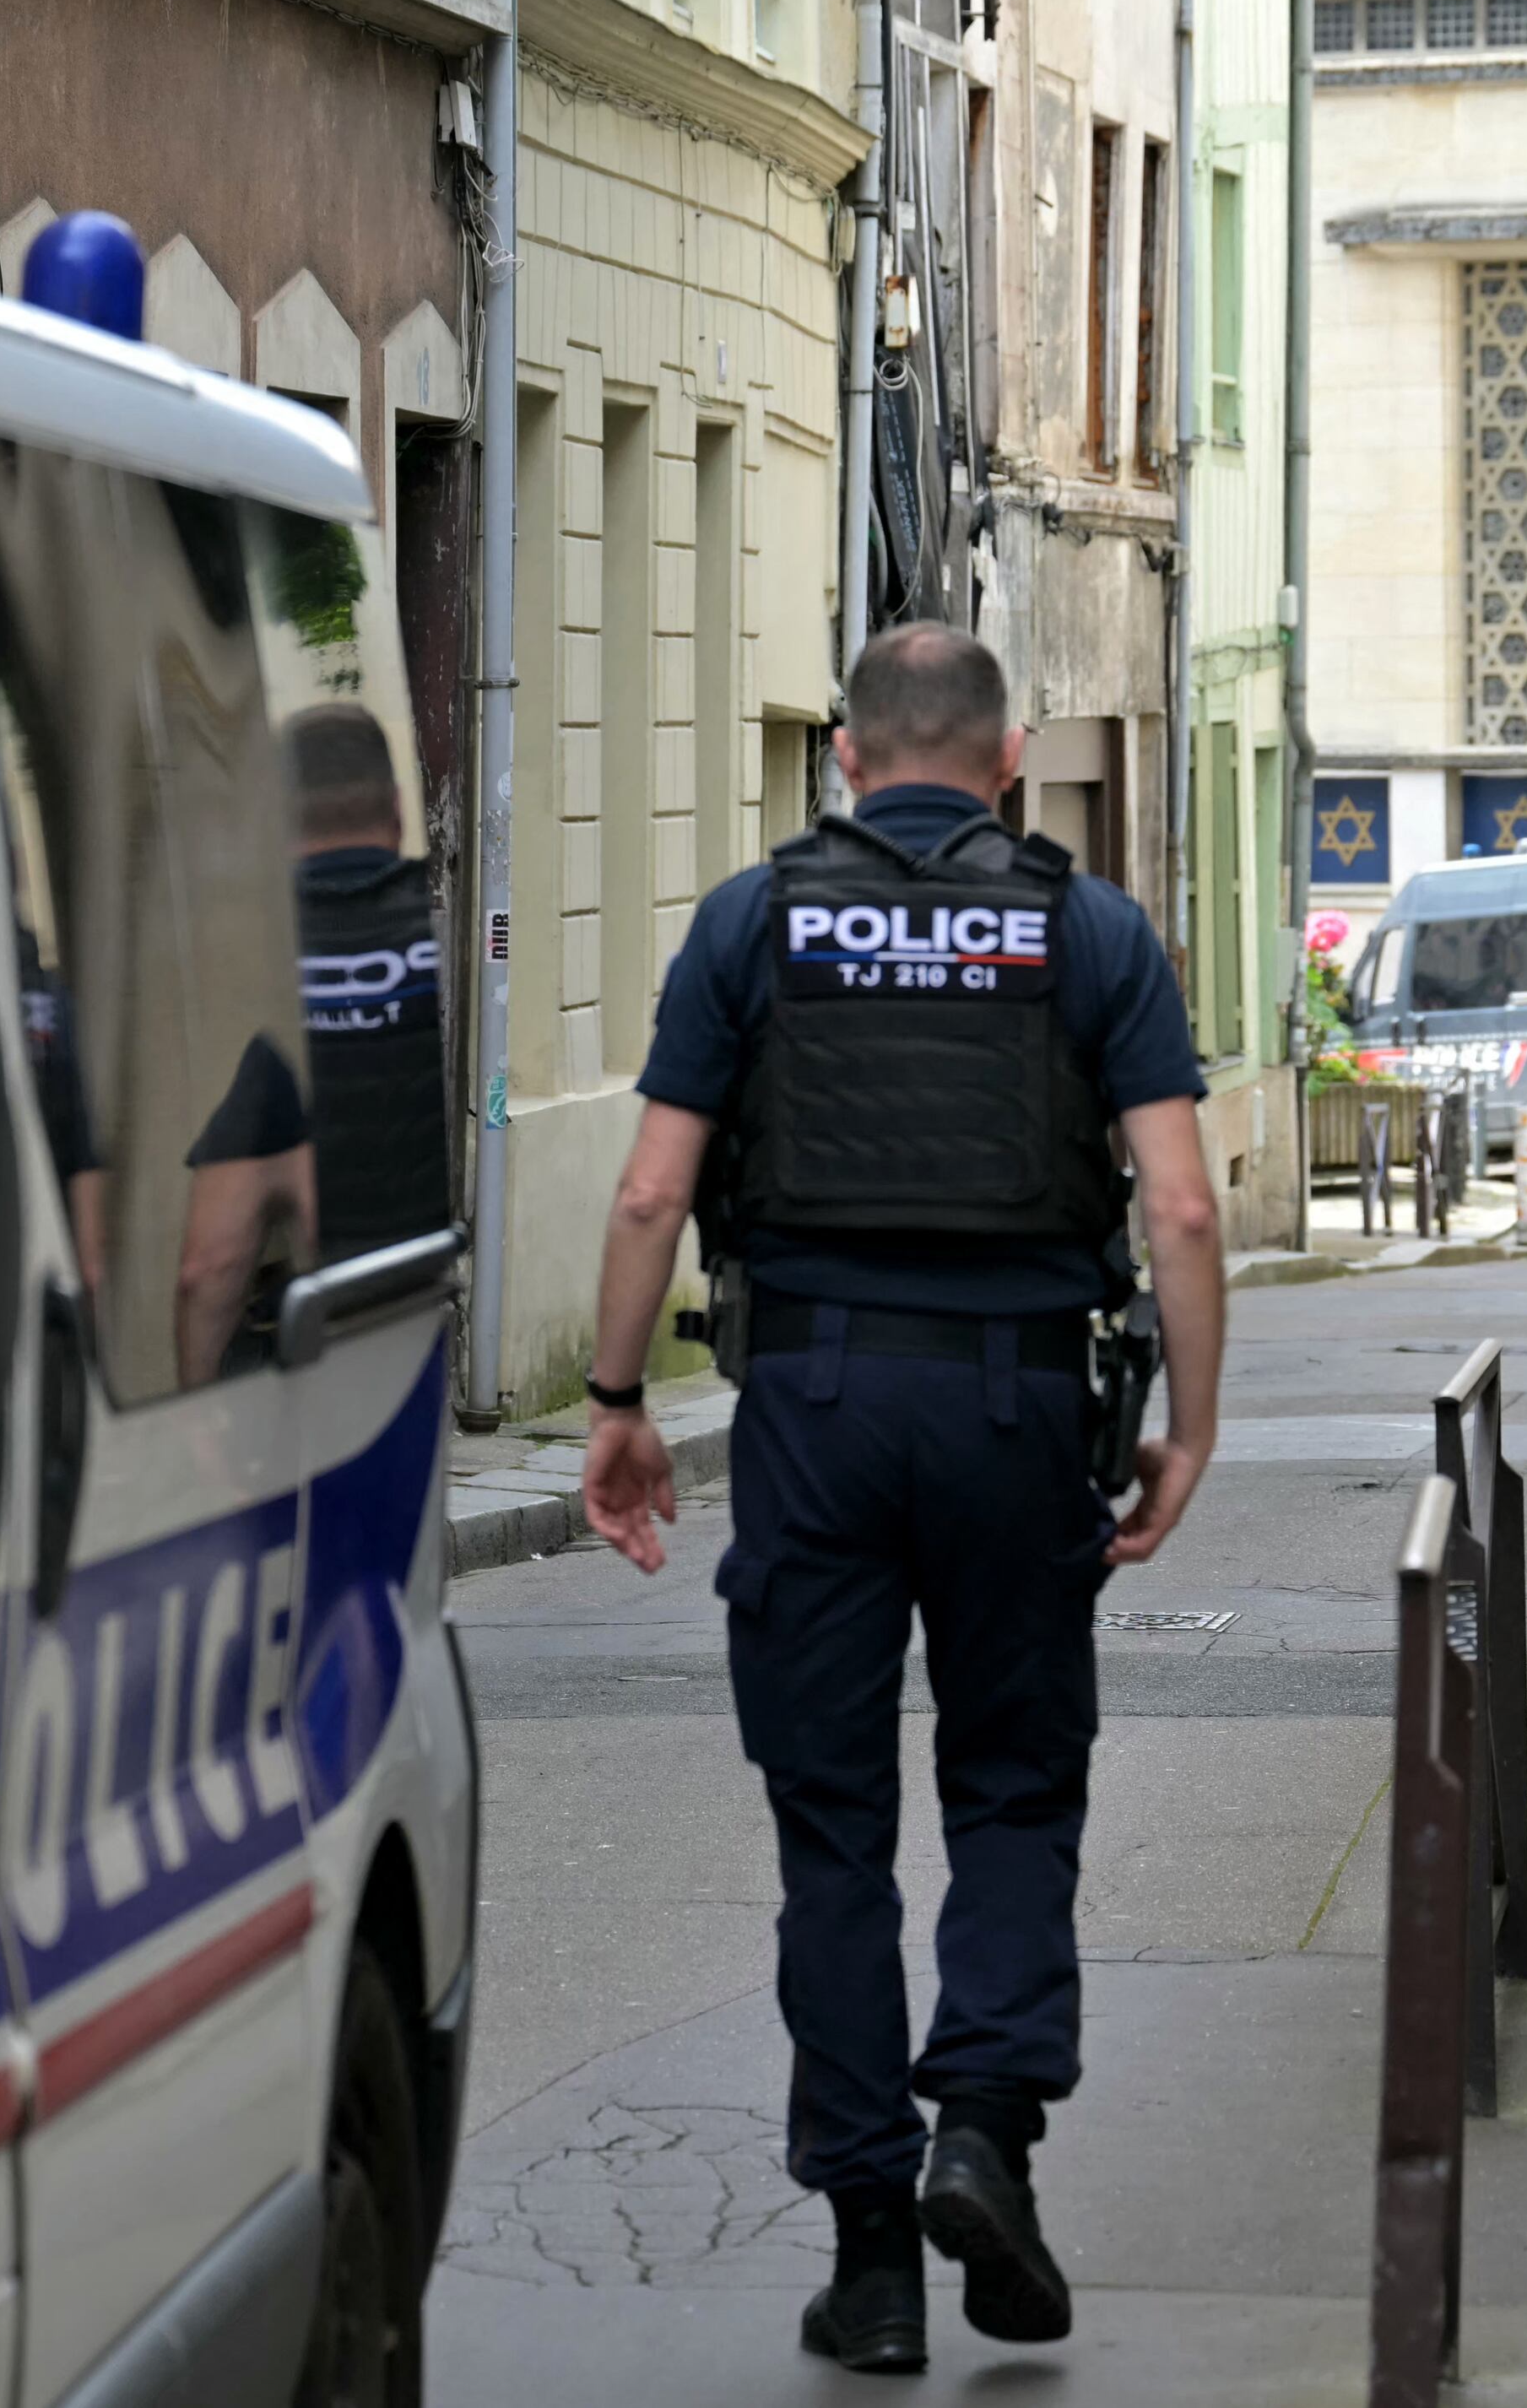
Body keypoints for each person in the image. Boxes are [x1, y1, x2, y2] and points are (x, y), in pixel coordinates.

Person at [572, 624, 1228, 2376]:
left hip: (812, 1403)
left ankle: (871, 2257)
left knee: (831, 1827)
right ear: (1008, 757)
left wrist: (620, 1402)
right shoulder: (1088, 930)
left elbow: (651, 1194)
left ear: (846, 761)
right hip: (1022, 1408)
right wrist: (1190, 1425)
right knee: (1014, 1782)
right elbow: (1176, 1210)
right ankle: (985, 2132)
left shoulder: (749, 920)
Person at [285, 701, 455, 1262]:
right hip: (438, 1276)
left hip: (319, 1294)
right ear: (400, 811)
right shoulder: (464, 935)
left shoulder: (253, 953)